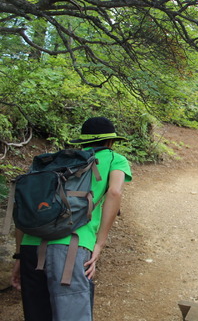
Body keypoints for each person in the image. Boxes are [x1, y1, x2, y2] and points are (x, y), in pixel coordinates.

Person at [11, 116, 132, 321]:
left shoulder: (51, 163)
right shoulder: (114, 159)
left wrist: (19, 256)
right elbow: (114, 193)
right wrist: (99, 244)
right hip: (72, 246)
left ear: (83, 142)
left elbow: (25, 206)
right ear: (111, 142)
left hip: (31, 247)